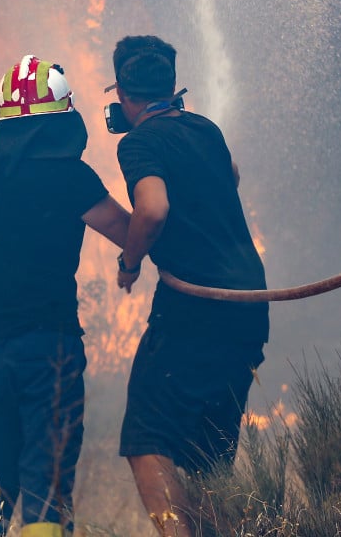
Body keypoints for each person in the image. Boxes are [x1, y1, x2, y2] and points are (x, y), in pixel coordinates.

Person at [0, 55, 130, 537]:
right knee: (46, 486)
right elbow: (128, 234)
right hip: (47, 350)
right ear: (63, 118)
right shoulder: (70, 177)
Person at [108, 36, 269, 537]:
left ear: (124, 96)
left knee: (145, 439)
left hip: (194, 309)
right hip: (249, 309)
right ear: (173, 88)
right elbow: (232, 174)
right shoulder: (206, 130)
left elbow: (152, 208)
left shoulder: (138, 143)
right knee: (207, 458)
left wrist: (130, 261)